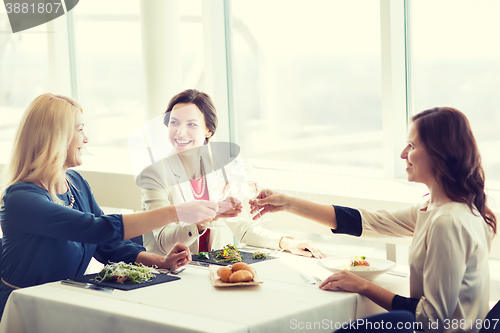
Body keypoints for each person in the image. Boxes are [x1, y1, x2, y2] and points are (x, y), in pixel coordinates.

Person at [250, 107, 496, 333]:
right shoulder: (437, 208)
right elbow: (366, 221)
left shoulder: (448, 221)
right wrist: (288, 203)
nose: (403, 154)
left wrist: (364, 286)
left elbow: (432, 319)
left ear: (440, 154)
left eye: (411, 145)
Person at [0, 93, 219, 317]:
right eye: (80, 129)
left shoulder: (76, 184)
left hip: (63, 302)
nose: (86, 139)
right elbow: (96, 228)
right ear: (55, 137)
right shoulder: (21, 199)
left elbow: (108, 244)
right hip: (22, 309)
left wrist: (161, 261)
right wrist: (177, 212)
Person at [136, 89, 325, 258]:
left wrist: (287, 243)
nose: (180, 132)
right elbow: (163, 241)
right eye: (174, 123)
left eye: (192, 124)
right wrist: (208, 217)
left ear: (208, 130)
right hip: (165, 274)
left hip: (206, 270)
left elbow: (241, 227)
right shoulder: (154, 175)